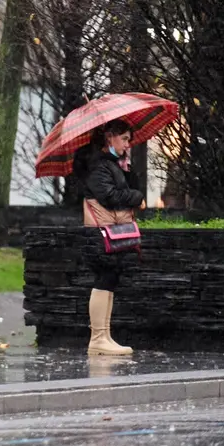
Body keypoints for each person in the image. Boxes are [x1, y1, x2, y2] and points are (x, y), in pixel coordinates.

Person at [80, 119, 144, 357]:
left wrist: (128, 169)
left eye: (129, 140)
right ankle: (97, 337)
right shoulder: (98, 165)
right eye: (125, 139)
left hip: (108, 231)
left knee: (110, 279)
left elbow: (127, 189)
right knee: (104, 279)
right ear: (110, 137)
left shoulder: (114, 164)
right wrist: (135, 197)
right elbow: (108, 195)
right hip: (99, 232)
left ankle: (104, 336)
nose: (128, 144)